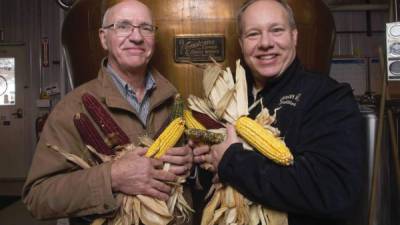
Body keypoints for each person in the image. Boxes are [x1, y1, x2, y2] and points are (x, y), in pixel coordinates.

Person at [193, 0, 364, 225]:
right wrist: (198, 161)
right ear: (241, 43)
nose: (266, 43)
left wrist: (231, 161)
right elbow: (211, 182)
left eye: (276, 30)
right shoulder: (226, 99)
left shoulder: (328, 97)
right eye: (253, 34)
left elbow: (334, 189)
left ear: (294, 36)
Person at [22, 0, 193, 224]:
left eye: (145, 28)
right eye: (123, 26)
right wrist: (112, 177)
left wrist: (191, 165)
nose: (137, 37)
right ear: (104, 38)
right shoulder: (73, 108)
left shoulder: (175, 100)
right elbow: (38, 196)